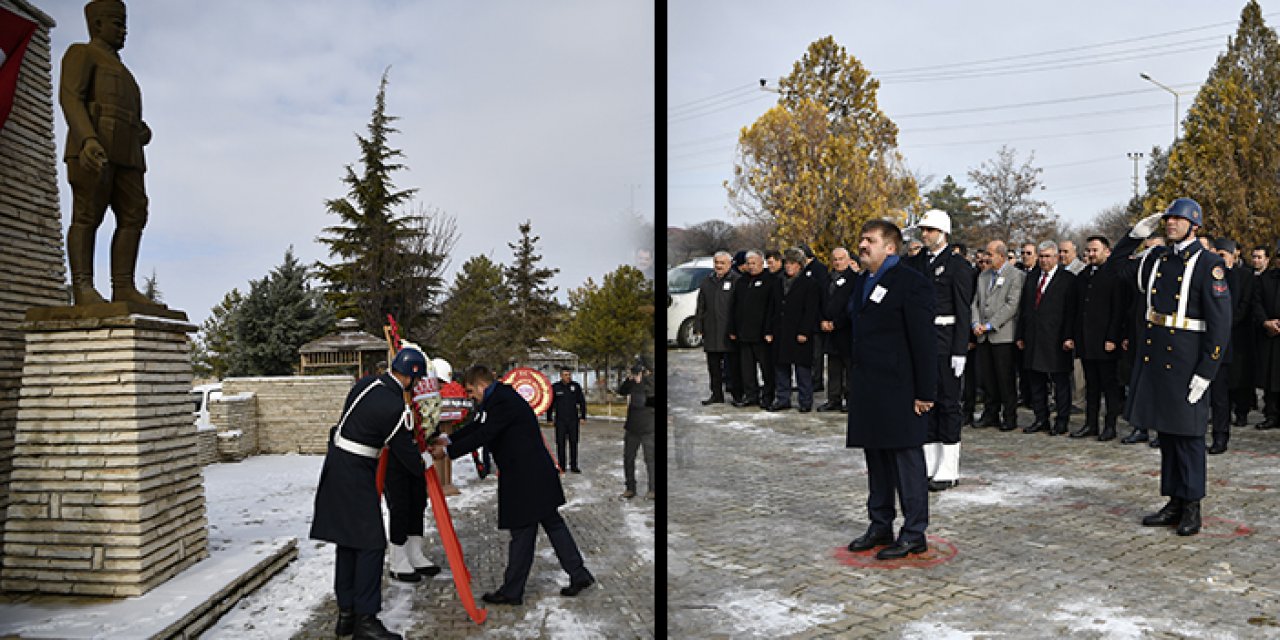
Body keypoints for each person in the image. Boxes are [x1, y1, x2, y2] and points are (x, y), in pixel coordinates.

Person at [1106, 198, 1230, 536]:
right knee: (1168, 435)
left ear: (1194, 226)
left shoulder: (1209, 264)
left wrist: (1207, 371)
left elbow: (1220, 324)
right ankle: (1174, 500)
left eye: (1178, 219)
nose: (1171, 224)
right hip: (1157, 358)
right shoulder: (1156, 259)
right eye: (1169, 219)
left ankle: (1192, 505)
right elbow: (1115, 270)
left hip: (1188, 360)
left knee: (1189, 436)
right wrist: (1133, 237)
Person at [427, 365, 595, 605]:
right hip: (532, 473)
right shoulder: (496, 399)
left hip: (526, 477)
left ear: (481, 385)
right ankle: (578, 574)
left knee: (523, 531)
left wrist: (448, 452)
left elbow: (486, 434)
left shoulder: (503, 401)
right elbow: (478, 425)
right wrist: (449, 439)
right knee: (551, 523)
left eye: (471, 391)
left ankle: (512, 591)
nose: (470, 396)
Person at [311, 347, 430, 640]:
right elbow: (410, 461)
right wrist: (427, 458)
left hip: (336, 464)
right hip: (356, 472)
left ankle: (346, 614)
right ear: (412, 377)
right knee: (372, 545)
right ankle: (366, 619)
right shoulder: (393, 407)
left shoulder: (367, 383)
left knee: (348, 542)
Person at [844, 219, 937, 560]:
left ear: (891, 247)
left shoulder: (911, 284)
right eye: (861, 239)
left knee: (906, 461)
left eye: (870, 240)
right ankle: (880, 524)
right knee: (876, 459)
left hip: (902, 388)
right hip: (870, 388)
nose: (862, 245)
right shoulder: (863, 281)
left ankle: (914, 532)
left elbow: (924, 342)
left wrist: (926, 392)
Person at [61, 0, 156, 307]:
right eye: (117, 23)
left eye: (124, 23)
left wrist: (141, 131)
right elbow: (70, 98)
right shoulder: (82, 53)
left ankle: (123, 286)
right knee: (88, 214)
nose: (123, 30)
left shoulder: (125, 73)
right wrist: (87, 138)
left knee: (135, 214)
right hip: (94, 148)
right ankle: (83, 287)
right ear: (97, 25)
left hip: (128, 154)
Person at [904, 210, 973, 492]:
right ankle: (931, 463)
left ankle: (949, 466)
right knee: (926, 402)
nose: (925, 235)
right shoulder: (916, 262)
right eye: (923, 230)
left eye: (930, 230)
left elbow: (963, 309)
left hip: (946, 340)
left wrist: (960, 349)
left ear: (943, 233)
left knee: (948, 403)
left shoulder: (958, 266)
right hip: (922, 341)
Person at [383, 344, 443, 584]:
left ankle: (414, 552)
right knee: (400, 507)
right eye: (415, 379)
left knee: (417, 503)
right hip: (396, 460)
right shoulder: (390, 394)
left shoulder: (408, 394)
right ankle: (398, 559)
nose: (417, 384)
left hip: (414, 455)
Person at [1066, 236, 1126, 441]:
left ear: (1107, 252)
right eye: (1088, 250)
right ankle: (1090, 424)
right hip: (1086, 340)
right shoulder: (1082, 276)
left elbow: (1118, 310)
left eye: (1095, 250)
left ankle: (1110, 426)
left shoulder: (1114, 275)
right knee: (1091, 386)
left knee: (1109, 387)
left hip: (1106, 342)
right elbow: (1075, 310)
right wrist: (1072, 336)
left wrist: (1113, 338)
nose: (1091, 254)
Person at [1016, 240, 1077, 436]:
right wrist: (1020, 335)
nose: (1044, 260)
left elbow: (1071, 312)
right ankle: (1040, 418)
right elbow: (1024, 308)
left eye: (1048, 256)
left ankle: (1061, 420)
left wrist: (1069, 336)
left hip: (1057, 339)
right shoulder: (1032, 277)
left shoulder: (1067, 279)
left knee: (1060, 383)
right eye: (1041, 256)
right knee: (1036, 381)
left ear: (1057, 257)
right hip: (1033, 337)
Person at [971, 240, 1024, 431]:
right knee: (988, 378)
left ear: (1001, 256)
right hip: (983, 336)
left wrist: (990, 325)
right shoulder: (983, 276)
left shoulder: (1016, 276)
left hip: (1003, 335)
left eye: (990, 254)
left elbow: (1012, 305)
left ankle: (1009, 416)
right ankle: (990, 413)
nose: (986, 257)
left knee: (1005, 378)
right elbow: (976, 302)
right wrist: (976, 323)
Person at [1208, 239, 1252, 453]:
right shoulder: (1205, 274)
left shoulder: (1236, 277)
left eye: (1223, 255)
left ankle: (1220, 436)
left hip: (1224, 342)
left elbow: (1237, 308)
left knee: (1219, 396)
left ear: (1233, 256)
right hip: (1201, 341)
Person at [766, 248, 821, 412]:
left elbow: (811, 310)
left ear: (800, 265)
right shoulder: (777, 282)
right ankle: (783, 398)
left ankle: (805, 401)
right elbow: (771, 308)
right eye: (787, 263)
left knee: (802, 369)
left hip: (799, 332)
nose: (789, 267)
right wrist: (768, 330)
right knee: (781, 367)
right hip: (780, 331)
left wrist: (805, 331)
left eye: (793, 263)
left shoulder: (810, 284)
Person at [731, 250, 778, 409]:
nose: (751, 267)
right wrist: (733, 329)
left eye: (754, 263)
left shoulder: (770, 281)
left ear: (761, 263)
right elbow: (735, 306)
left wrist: (769, 330)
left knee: (766, 369)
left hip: (762, 334)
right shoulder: (742, 282)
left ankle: (768, 396)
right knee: (747, 369)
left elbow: (772, 308)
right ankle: (751, 395)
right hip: (744, 333)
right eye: (748, 263)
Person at [695, 251, 741, 405]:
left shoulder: (736, 280)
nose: (719, 266)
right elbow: (701, 306)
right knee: (713, 367)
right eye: (717, 263)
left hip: (729, 332)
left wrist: (736, 329)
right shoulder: (707, 281)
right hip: (711, 331)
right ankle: (716, 394)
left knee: (733, 367)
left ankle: (737, 394)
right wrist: (698, 326)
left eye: (722, 263)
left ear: (729, 264)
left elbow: (740, 307)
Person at [819, 247, 857, 412]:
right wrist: (822, 320)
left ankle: (850, 399)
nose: (838, 262)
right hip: (829, 331)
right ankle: (833, 398)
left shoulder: (855, 279)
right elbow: (820, 301)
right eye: (835, 259)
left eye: (841, 259)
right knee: (833, 367)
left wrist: (837, 323)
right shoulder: (827, 279)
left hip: (846, 330)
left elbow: (852, 306)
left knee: (849, 368)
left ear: (848, 260)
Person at [617, 363, 656, 499]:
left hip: (648, 427)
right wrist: (629, 380)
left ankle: (653, 489)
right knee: (628, 458)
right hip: (632, 427)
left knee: (650, 460)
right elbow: (621, 391)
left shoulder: (651, 384)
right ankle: (630, 487)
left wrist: (643, 381)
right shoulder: (632, 383)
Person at [800, 244, 830, 394]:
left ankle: (816, 381)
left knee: (816, 354)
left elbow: (822, 293)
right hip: (807, 319)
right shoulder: (804, 270)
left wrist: (823, 317)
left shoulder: (819, 269)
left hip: (817, 317)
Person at [547, 368, 588, 472]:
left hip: (573, 420)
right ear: (561, 376)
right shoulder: (555, 387)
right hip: (560, 420)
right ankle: (561, 466)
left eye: (569, 375)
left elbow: (582, 402)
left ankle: (574, 465)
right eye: (565, 375)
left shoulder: (576, 386)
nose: (568, 377)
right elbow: (550, 404)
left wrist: (583, 416)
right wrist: (549, 418)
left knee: (573, 443)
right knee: (560, 443)